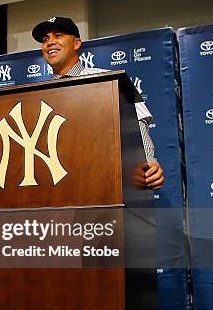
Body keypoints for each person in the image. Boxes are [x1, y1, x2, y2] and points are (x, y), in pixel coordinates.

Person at [32, 16, 165, 190]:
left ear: (77, 43)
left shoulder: (109, 79)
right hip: (54, 186)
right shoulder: (36, 95)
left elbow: (137, 122)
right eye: (45, 39)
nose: (50, 42)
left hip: (103, 182)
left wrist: (148, 162)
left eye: (58, 35)